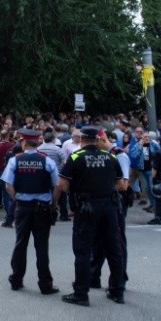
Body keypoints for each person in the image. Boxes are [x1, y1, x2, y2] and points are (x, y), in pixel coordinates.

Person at [57, 126, 127, 306]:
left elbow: (62, 183)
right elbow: (120, 184)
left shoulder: (75, 157)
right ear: (97, 139)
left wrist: (78, 191)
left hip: (86, 207)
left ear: (81, 139)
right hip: (109, 207)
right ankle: (117, 291)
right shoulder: (111, 157)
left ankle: (81, 293)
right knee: (113, 249)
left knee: (83, 250)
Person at [1, 128, 60, 295]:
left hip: (23, 206)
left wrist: (17, 199)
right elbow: (57, 185)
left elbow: (8, 185)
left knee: (20, 244)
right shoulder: (47, 161)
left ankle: (16, 280)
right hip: (42, 206)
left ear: (24, 142)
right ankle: (45, 284)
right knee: (42, 246)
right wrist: (53, 203)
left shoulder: (15, 160)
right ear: (38, 142)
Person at [90, 130, 131, 289]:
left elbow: (123, 185)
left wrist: (101, 188)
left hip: (115, 202)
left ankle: (120, 279)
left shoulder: (119, 155)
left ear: (102, 139)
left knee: (117, 243)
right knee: (97, 241)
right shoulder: (101, 154)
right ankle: (94, 276)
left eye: (96, 142)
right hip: (103, 202)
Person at [38, 129, 67, 221]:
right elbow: (64, 163)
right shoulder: (58, 149)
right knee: (62, 196)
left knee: (45, 194)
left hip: (43, 176)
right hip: (57, 175)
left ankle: (44, 213)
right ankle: (63, 214)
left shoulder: (38, 149)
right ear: (53, 139)